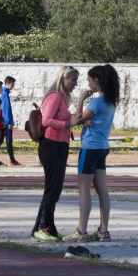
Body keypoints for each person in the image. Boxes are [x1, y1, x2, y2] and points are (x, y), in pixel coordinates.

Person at [63, 65, 119, 243]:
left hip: (90, 147)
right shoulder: (110, 101)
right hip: (102, 146)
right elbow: (87, 118)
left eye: (89, 80)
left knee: (84, 189)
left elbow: (76, 119)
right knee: (102, 190)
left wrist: (80, 99)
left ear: (97, 81)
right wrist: (86, 119)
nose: (87, 84)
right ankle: (104, 230)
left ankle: (81, 231)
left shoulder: (95, 102)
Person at [31, 65, 79, 242]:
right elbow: (46, 120)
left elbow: (61, 117)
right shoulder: (55, 96)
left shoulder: (62, 98)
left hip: (60, 145)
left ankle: (46, 227)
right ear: (63, 79)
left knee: (54, 189)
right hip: (51, 144)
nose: (75, 83)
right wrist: (66, 125)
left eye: (76, 79)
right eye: (72, 79)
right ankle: (43, 227)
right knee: (53, 189)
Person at [0, 76, 21, 166]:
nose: (13, 86)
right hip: (5, 122)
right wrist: (9, 122)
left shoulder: (2, 92)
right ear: (7, 83)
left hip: (1, 121)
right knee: (8, 141)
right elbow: (6, 109)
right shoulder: (4, 93)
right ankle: (12, 160)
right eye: (12, 84)